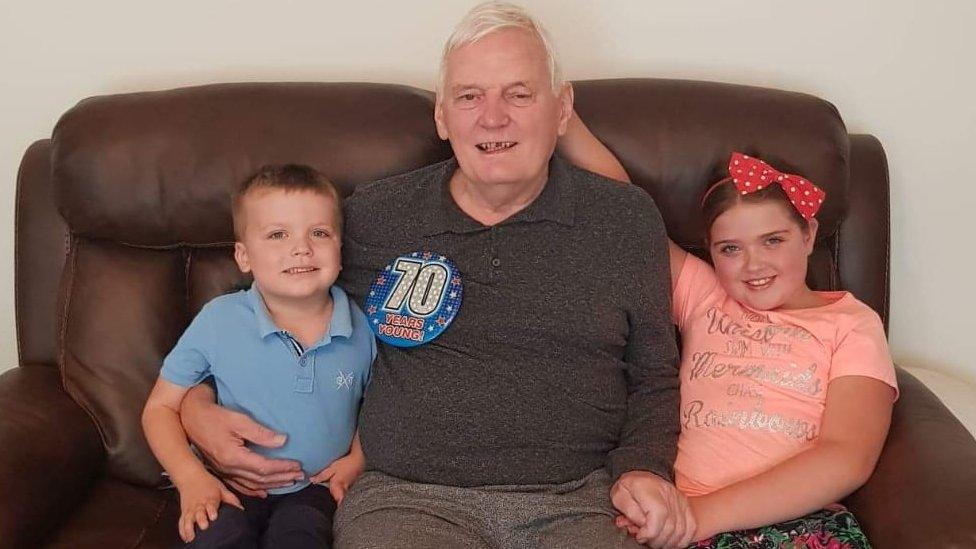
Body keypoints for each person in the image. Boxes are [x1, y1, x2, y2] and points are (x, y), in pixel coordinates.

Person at [180, 3, 693, 548]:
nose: (492, 118)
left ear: (562, 109)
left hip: (580, 502)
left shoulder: (624, 219)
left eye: (519, 94)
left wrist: (644, 468)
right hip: (405, 499)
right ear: (442, 116)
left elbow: (655, 375)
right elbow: (265, 314)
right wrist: (197, 410)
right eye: (469, 96)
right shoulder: (375, 217)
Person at [564, 123, 897, 548]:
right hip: (675, 515)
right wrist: (564, 118)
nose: (753, 265)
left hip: (795, 523)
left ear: (809, 235)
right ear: (711, 251)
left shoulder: (852, 323)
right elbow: (623, 208)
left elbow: (845, 457)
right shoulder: (705, 296)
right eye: (730, 249)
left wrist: (701, 517)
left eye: (773, 240)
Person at [141, 164, 375, 548]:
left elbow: (381, 405)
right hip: (227, 484)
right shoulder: (219, 320)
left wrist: (357, 460)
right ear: (244, 256)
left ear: (340, 250)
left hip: (314, 489)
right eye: (278, 234)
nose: (301, 247)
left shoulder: (362, 328)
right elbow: (159, 409)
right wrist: (191, 478)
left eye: (319, 232)